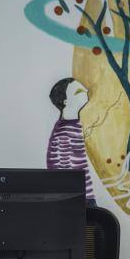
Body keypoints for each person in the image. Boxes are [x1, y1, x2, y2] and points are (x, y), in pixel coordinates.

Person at [47, 77, 95, 205]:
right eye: (79, 91)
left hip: (82, 195)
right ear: (66, 101)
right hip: (79, 199)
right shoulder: (64, 132)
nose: (86, 91)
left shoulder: (73, 125)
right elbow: (64, 172)